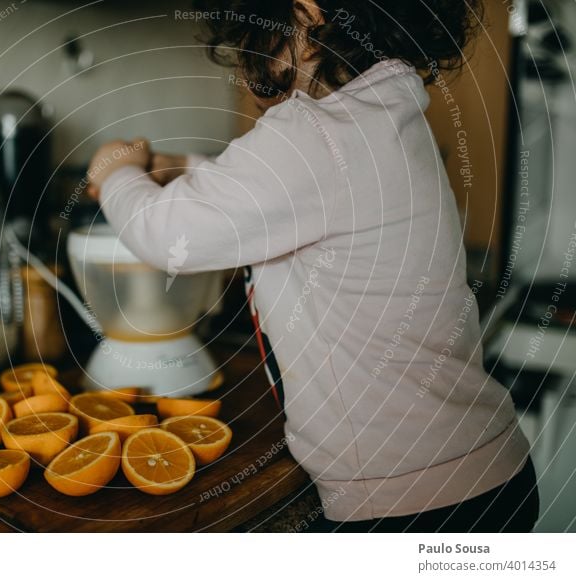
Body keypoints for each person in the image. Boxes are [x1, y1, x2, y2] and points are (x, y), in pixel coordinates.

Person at [85, 0, 539, 532]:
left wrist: (116, 173)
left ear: (304, 13)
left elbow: (166, 233)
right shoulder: (381, 117)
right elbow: (282, 197)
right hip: (480, 472)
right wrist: (177, 168)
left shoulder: (314, 134)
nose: (246, 58)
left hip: (409, 502)